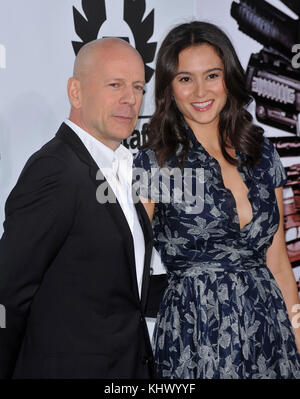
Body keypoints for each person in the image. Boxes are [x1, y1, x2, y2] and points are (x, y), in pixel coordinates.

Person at [134, 21, 300, 378]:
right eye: (184, 79)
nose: (200, 91)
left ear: (229, 79)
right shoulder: (154, 164)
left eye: (212, 75)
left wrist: (298, 339)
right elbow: (125, 262)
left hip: (268, 331)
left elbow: (279, 262)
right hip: (195, 334)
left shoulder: (262, 153)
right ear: (169, 88)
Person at [0, 38, 158, 379]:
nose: (130, 99)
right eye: (115, 84)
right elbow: (8, 292)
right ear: (76, 92)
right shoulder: (55, 169)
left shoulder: (124, 167)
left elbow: (116, 287)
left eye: (138, 87)